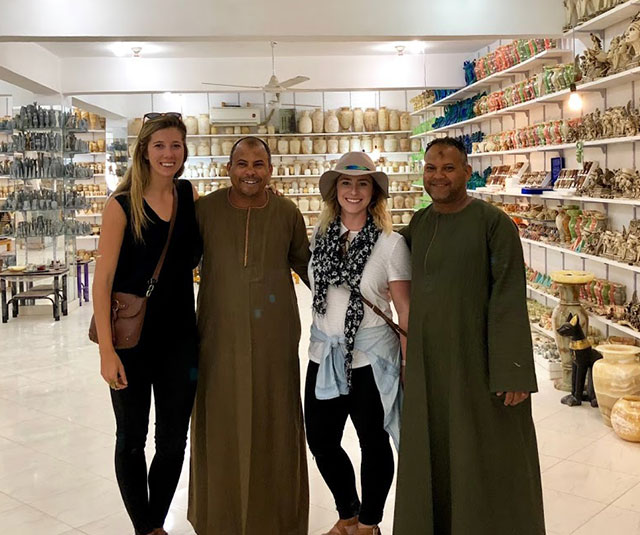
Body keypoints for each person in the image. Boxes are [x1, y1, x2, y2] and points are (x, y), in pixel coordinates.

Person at [393, 137, 545, 535]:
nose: (438, 176)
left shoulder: (493, 224)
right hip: (430, 366)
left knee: (485, 450)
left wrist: (512, 370)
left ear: (467, 172)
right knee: (438, 449)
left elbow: (509, 297)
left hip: (478, 363)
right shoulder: (420, 225)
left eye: (447, 168)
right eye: (431, 168)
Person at [188, 136, 311, 535]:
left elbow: (310, 270)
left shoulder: (287, 213)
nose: (250, 172)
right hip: (217, 339)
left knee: (275, 420)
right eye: (242, 164)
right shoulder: (205, 211)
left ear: (271, 170)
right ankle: (218, 517)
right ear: (228, 169)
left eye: (259, 164)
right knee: (220, 422)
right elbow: (175, 264)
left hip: (275, 340)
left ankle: (276, 518)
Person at [92, 112, 201, 535]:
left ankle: (154, 523)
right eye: (159, 146)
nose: (168, 154)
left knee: (174, 440)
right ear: (144, 150)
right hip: (131, 343)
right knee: (131, 439)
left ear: (185, 150)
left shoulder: (188, 197)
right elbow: (102, 283)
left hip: (180, 341)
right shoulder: (120, 206)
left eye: (175, 145)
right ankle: (146, 527)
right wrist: (106, 351)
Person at [306, 152, 410, 535]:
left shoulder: (391, 245)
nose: (353, 191)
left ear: (374, 193)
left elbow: (403, 310)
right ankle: (347, 512)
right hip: (324, 355)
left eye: (362, 184)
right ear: (335, 192)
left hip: (371, 359)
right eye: (346, 184)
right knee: (320, 440)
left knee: (373, 441)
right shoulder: (319, 238)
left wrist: (406, 362)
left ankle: (368, 523)